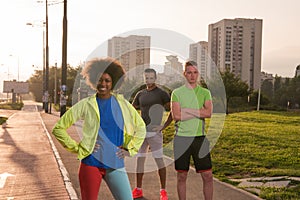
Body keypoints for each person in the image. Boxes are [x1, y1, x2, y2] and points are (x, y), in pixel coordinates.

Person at [52, 57, 146, 200]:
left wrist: (130, 148)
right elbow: (58, 128)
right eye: (100, 80)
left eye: (107, 80)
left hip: (115, 163)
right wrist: (77, 147)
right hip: (91, 164)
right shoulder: (86, 104)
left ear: (113, 82)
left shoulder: (123, 104)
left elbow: (141, 127)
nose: (103, 84)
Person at [171, 61, 213, 200]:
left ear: (198, 74)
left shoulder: (205, 93)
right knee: (182, 175)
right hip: (181, 139)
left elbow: (208, 113)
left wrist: (187, 111)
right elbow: (176, 116)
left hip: (199, 138)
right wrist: (199, 111)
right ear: (185, 74)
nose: (192, 75)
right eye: (189, 72)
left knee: (207, 175)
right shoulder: (176, 93)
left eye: (195, 72)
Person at [131, 68, 172, 200]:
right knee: (140, 160)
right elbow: (131, 110)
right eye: (146, 77)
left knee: (159, 161)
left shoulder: (162, 93)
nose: (148, 80)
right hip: (142, 133)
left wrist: (164, 126)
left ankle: (163, 191)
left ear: (155, 78)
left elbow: (173, 110)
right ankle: (138, 189)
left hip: (155, 133)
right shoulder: (140, 94)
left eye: (150, 77)